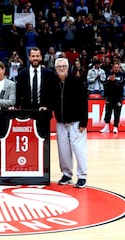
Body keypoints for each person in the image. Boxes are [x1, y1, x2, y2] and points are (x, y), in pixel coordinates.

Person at [51, 57, 88, 188]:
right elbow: (52, 101)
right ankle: (67, 174)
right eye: (59, 66)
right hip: (61, 122)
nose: (61, 68)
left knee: (79, 150)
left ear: (68, 67)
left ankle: (82, 176)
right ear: (55, 68)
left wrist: (84, 121)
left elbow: (84, 102)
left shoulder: (77, 81)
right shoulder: (54, 82)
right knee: (63, 150)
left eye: (64, 66)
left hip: (76, 122)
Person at [99, 63, 125, 133]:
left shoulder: (122, 75)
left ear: (119, 68)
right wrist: (109, 81)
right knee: (108, 112)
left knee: (117, 112)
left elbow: (121, 84)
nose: (116, 69)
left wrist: (114, 80)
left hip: (118, 97)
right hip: (110, 96)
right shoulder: (109, 75)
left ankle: (115, 127)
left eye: (117, 67)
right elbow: (105, 83)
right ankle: (106, 127)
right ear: (112, 68)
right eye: (115, 67)